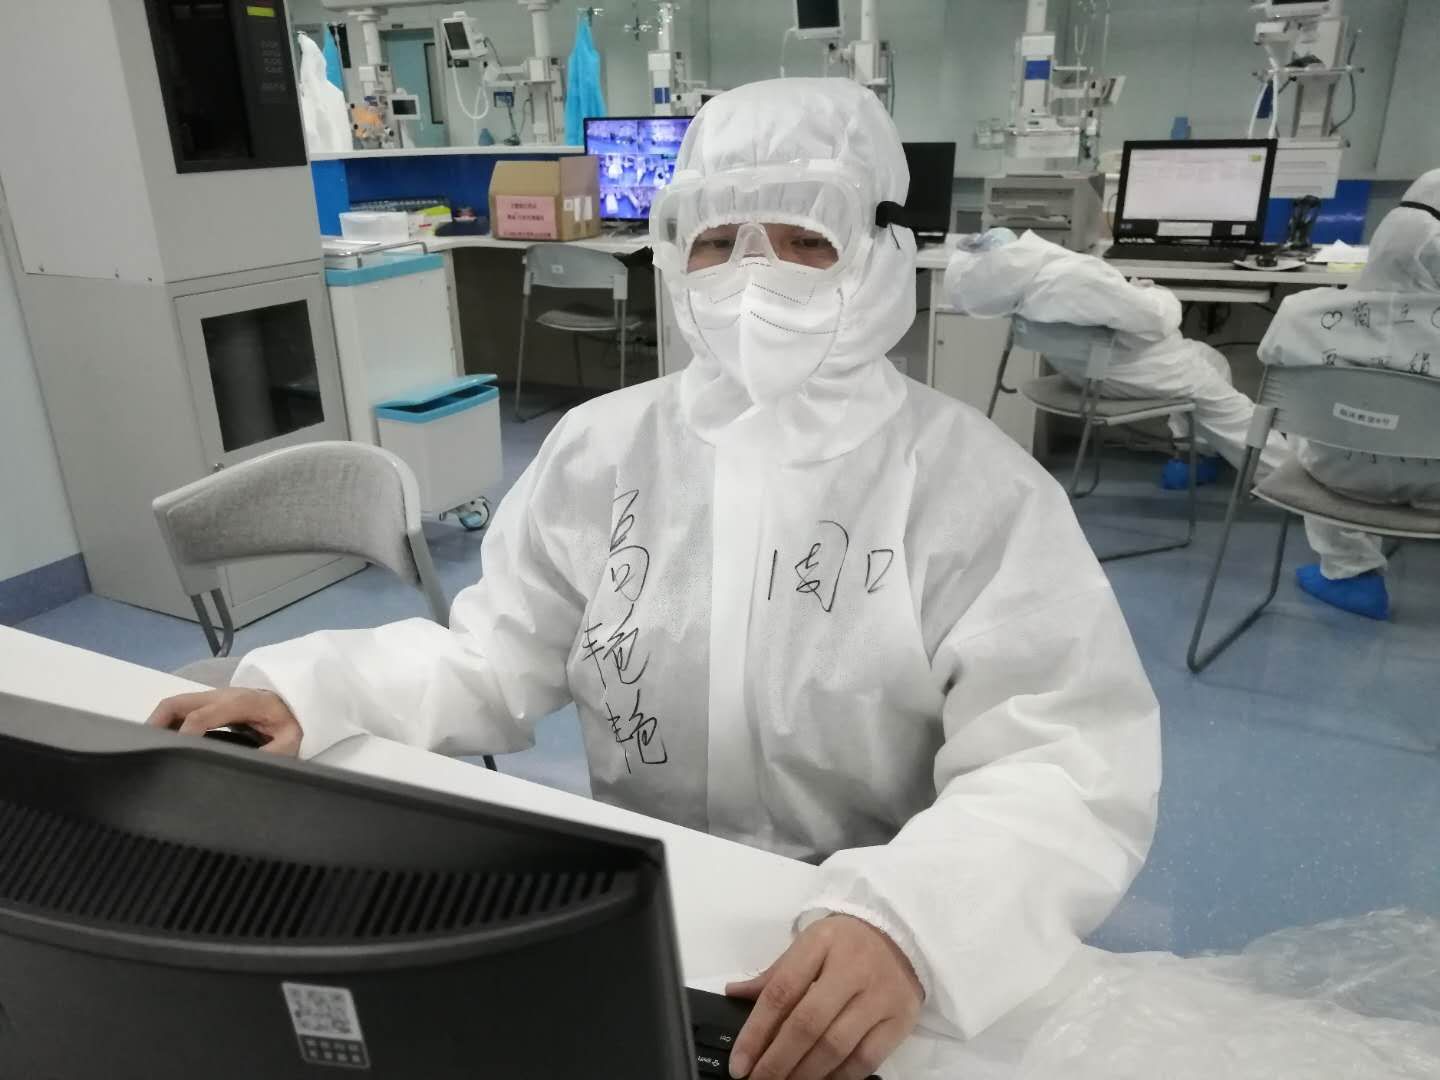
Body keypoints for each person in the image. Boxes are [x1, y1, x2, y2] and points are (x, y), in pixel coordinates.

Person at [150, 79, 1160, 1080]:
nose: (755, 276)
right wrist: (318, 690)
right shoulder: (603, 450)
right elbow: (494, 653)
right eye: (718, 240)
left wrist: (916, 923)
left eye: (804, 238)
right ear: (676, 250)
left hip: (868, 948)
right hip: (648, 913)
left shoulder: (976, 489)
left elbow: (1065, 758)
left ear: (882, 247)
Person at [945, 228, 1291, 484]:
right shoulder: (1068, 278)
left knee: (1211, 358)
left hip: (1087, 375)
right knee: (1233, 414)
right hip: (1141, 370)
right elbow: (1157, 321)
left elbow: (1110, 310)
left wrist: (1126, 295)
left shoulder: (1014, 290)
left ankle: (1195, 458)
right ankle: (1287, 484)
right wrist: (1155, 293)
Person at [1257, 169, 1440, 620]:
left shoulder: (1299, 312)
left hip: (1336, 477)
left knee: (1310, 422)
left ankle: (1349, 571)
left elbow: (1270, 364)